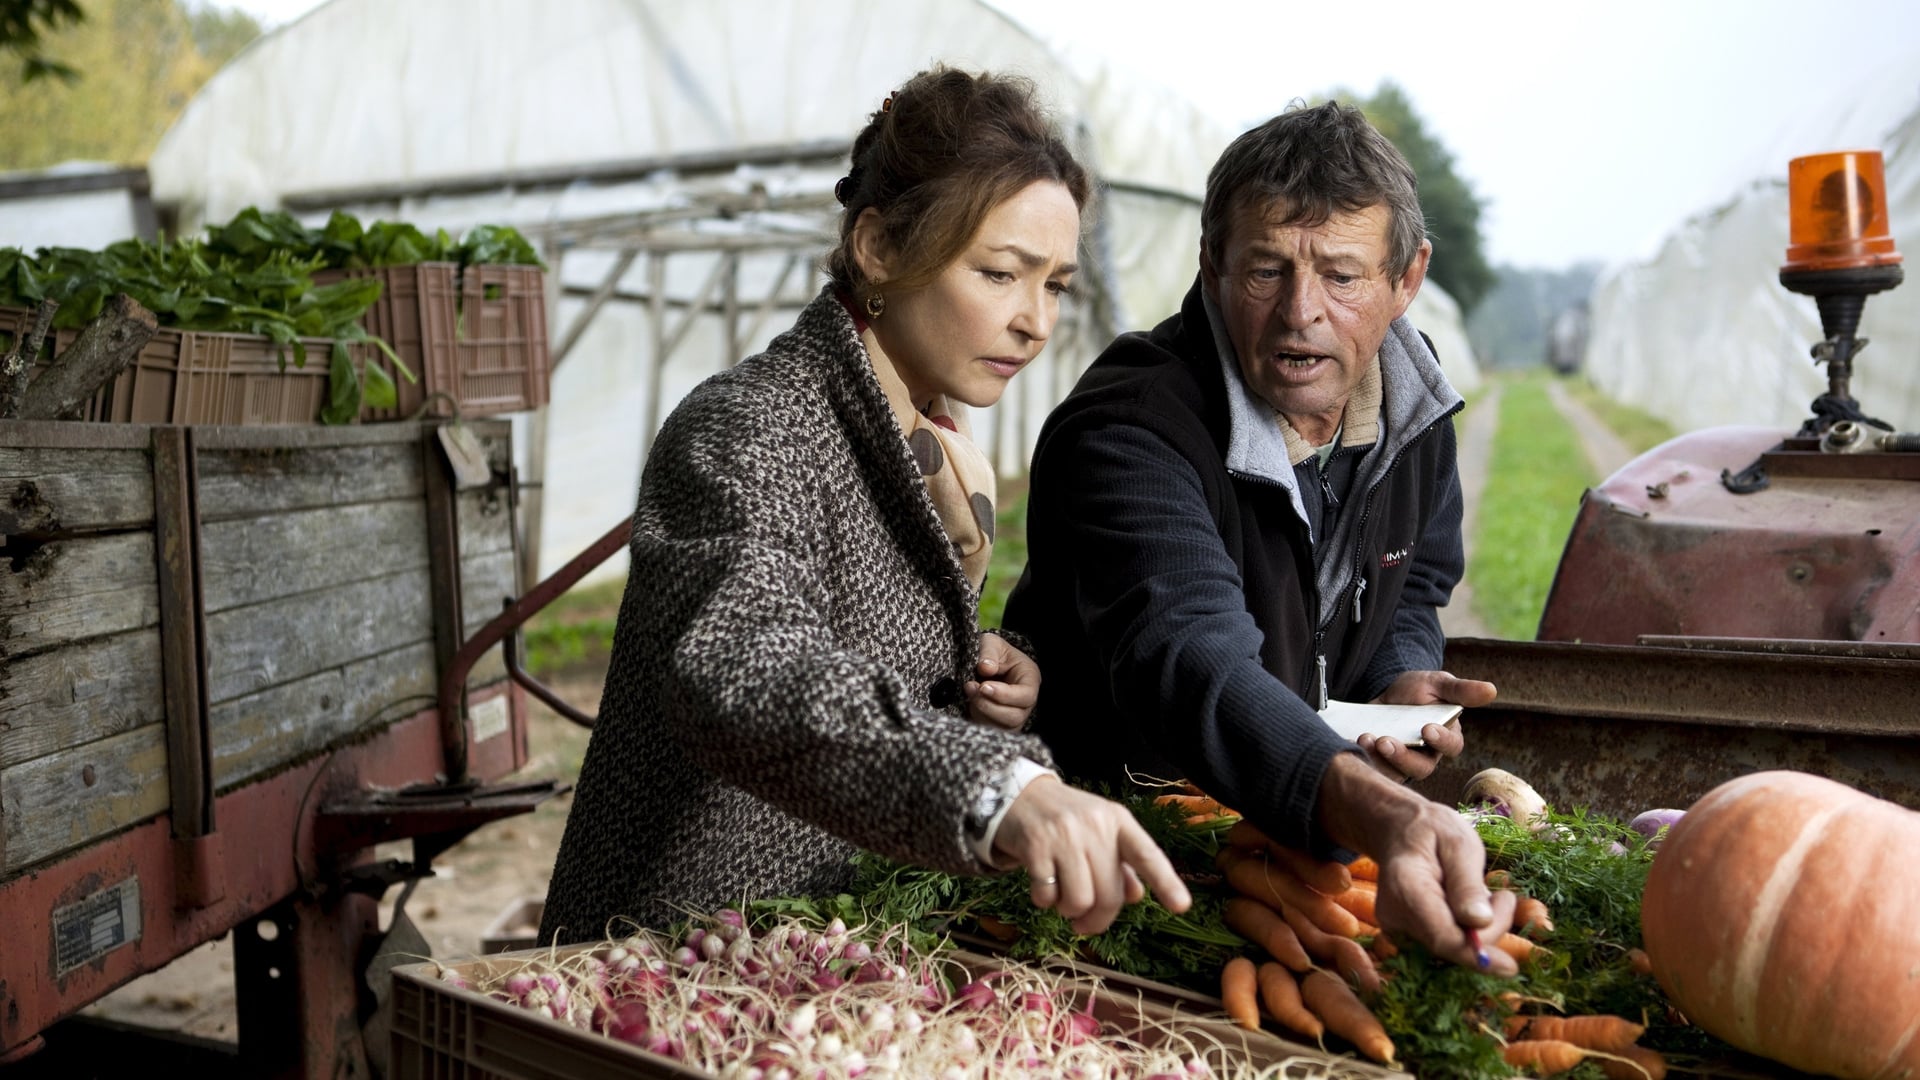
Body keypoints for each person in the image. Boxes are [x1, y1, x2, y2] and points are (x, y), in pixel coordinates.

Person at [540, 67, 1191, 946]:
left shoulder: (933, 440)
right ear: (879, 247)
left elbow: (867, 645)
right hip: (684, 953)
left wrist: (987, 679)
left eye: (1056, 285)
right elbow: (746, 665)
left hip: (830, 942)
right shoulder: (750, 424)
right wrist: (994, 786)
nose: (1035, 321)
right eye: (1001, 273)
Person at [1002, 100, 1515, 972]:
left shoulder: (1416, 417)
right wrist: (1380, 812)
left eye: (1343, 277)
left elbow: (1417, 578)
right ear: (1211, 265)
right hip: (1108, 874)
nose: (1300, 313)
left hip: (1289, 858)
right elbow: (1188, 657)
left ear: (1408, 277)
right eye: (1265, 271)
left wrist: (1397, 667)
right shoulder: (1131, 430)